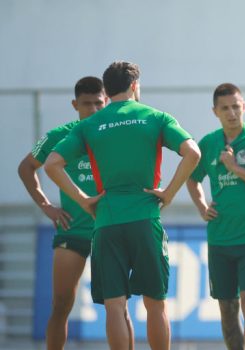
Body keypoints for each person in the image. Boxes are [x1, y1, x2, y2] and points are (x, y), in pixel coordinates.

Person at [44, 61, 201, 350]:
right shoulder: (155, 116)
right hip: (145, 218)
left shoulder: (90, 125)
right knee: (156, 304)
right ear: (134, 86)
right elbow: (192, 152)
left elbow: (52, 164)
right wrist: (168, 193)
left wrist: (83, 199)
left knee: (115, 306)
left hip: (106, 222)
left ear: (108, 89)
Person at [18, 77, 135, 350]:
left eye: (99, 103)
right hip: (73, 231)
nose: (93, 109)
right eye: (87, 104)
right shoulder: (60, 135)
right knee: (60, 304)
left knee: (117, 307)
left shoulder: (116, 133)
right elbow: (26, 168)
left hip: (110, 229)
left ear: (107, 102)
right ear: (75, 104)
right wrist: (47, 206)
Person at [186, 83, 245, 350]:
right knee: (228, 312)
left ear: (244, 107)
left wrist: (236, 169)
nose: (231, 113)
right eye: (225, 108)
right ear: (215, 111)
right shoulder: (208, 143)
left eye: (236, 106)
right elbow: (192, 180)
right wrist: (202, 206)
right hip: (220, 239)